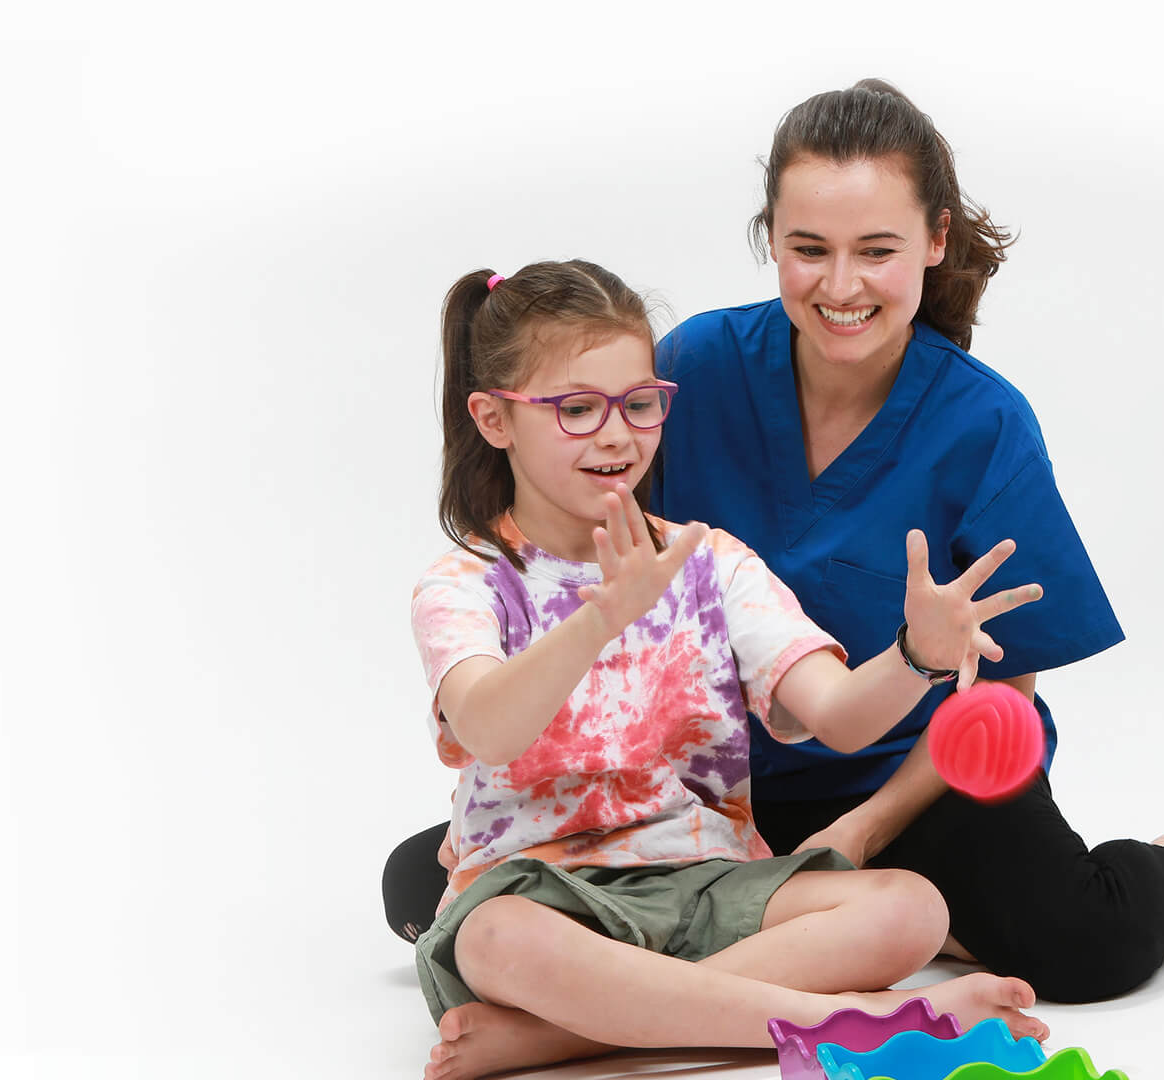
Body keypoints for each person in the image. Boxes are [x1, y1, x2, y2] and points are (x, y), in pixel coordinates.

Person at [385, 79, 1164, 1006]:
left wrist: (864, 828)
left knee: (1082, 939)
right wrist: (514, 805)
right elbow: (607, 577)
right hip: (722, 796)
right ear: (771, 241)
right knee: (417, 888)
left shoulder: (981, 423)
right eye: (809, 247)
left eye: (876, 250)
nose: (841, 285)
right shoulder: (687, 374)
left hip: (916, 781)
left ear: (934, 241)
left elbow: (1003, 688)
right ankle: (907, 937)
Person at [409, 259, 1047, 1080]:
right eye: (576, 410)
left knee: (912, 908)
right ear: (495, 419)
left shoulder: (711, 559)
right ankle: (853, 1022)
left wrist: (916, 655)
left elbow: (841, 717)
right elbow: (490, 727)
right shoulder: (465, 581)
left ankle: (567, 1036)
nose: (617, 435)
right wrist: (604, 613)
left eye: (639, 405)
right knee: (494, 937)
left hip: (707, 878)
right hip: (542, 893)